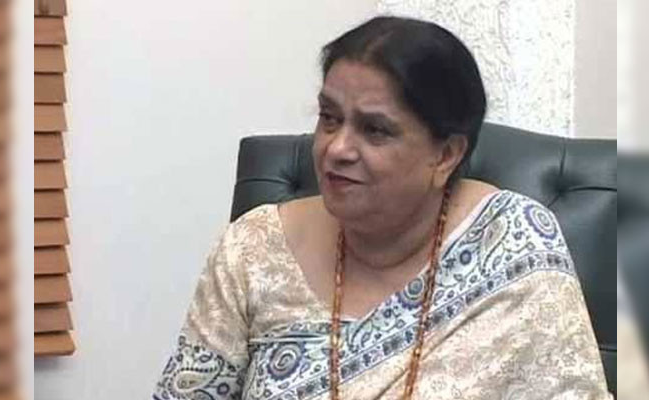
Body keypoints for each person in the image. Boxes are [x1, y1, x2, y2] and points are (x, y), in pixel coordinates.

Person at [152, 16, 612, 400]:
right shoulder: (253, 248)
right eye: (329, 119)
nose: (336, 149)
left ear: (446, 155)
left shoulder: (514, 240)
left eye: (375, 130)